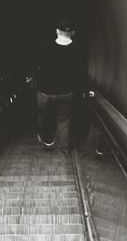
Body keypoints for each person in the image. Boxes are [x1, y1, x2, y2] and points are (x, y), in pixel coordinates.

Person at [32, 17, 90, 152]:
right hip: (66, 93)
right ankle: (63, 149)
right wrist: (85, 90)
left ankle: (46, 137)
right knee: (64, 121)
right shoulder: (78, 51)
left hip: (45, 93)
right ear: (73, 33)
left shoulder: (45, 47)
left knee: (43, 115)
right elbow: (82, 74)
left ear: (57, 31)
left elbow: (36, 66)